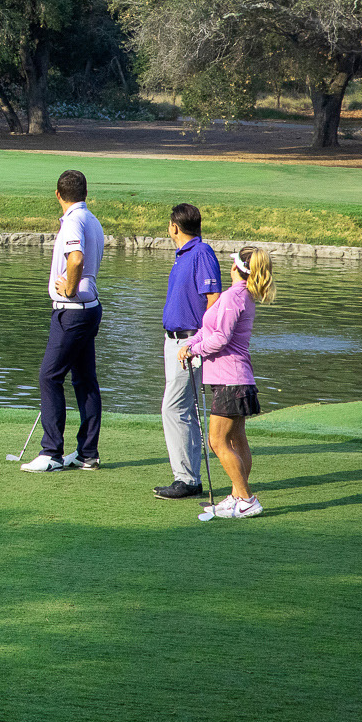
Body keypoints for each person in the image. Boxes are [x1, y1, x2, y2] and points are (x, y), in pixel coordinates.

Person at [178, 247, 274, 519]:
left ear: (236, 268)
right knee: (236, 439)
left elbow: (220, 338)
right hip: (237, 379)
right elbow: (208, 330)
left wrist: (194, 350)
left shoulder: (233, 296)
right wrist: (191, 343)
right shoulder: (240, 294)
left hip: (230, 380)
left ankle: (246, 498)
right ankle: (236, 496)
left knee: (217, 441)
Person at [22, 169, 105, 472]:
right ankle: (87, 454)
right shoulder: (92, 220)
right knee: (84, 379)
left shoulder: (72, 221)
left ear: (58, 194)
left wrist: (69, 289)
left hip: (73, 311)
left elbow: (76, 259)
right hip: (89, 308)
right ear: (86, 193)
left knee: (49, 376)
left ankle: (51, 452)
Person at [154, 203, 221, 501]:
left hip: (189, 342)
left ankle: (186, 479)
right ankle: (190, 478)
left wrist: (197, 342)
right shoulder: (183, 254)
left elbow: (214, 299)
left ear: (174, 227)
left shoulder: (201, 252)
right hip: (175, 342)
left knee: (173, 408)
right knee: (184, 409)